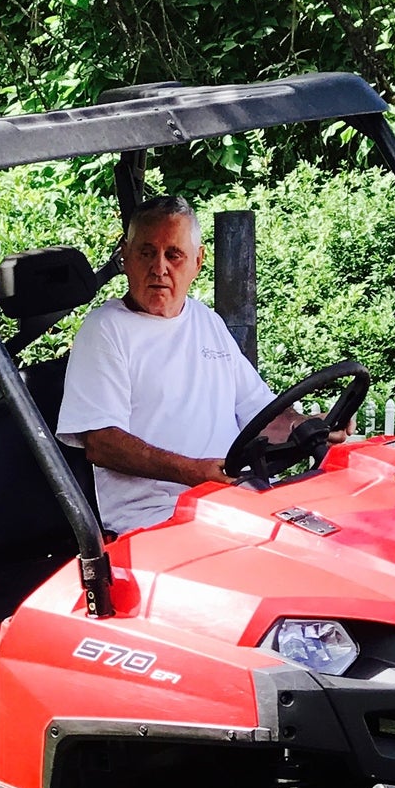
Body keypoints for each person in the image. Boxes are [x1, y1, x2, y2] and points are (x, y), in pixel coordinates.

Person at [56, 195, 306, 535]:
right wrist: (192, 471)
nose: (159, 267)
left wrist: (304, 426)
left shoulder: (207, 321)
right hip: (158, 518)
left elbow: (259, 413)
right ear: (125, 256)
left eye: (173, 255)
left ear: (198, 261)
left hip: (235, 501)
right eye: (146, 253)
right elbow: (102, 442)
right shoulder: (105, 329)